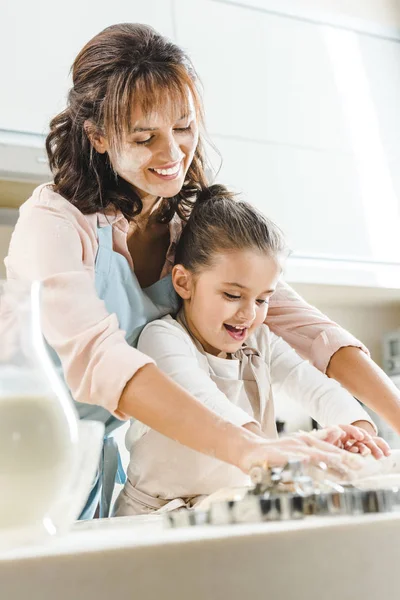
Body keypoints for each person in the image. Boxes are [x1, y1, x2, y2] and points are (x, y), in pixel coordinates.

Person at [5, 23, 399, 518]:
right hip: (21, 448)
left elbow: (303, 327)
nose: (173, 154)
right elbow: (96, 357)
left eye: (184, 127)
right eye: (146, 137)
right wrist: (248, 449)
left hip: (96, 456)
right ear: (98, 136)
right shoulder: (55, 224)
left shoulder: (187, 227)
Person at [113, 186, 390, 515]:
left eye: (262, 299)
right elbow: (206, 403)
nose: (249, 314)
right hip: (151, 518)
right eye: (232, 295)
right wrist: (278, 449)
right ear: (184, 282)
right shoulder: (162, 339)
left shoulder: (261, 344)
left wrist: (356, 430)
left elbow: (319, 390)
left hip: (227, 512)